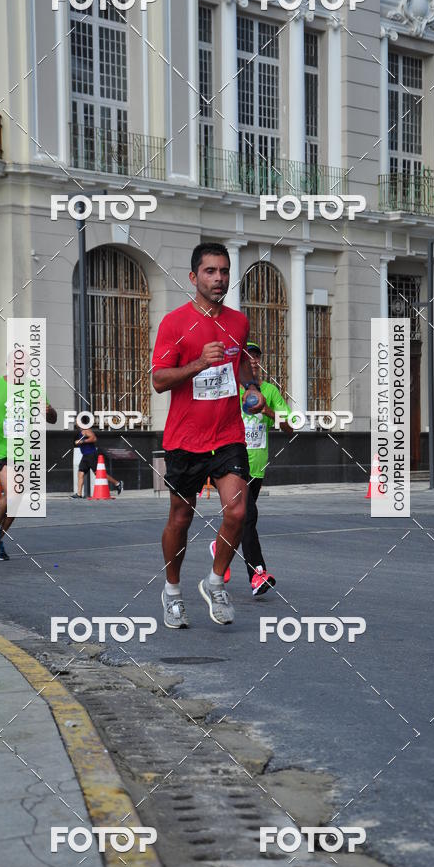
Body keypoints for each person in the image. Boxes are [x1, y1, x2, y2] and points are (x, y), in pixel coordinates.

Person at [152, 242, 266, 629]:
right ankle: (171, 591)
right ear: (193, 277)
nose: (218, 279)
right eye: (210, 272)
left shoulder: (238, 322)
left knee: (239, 511)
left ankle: (215, 581)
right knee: (181, 518)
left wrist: (251, 387)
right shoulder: (174, 323)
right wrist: (200, 362)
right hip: (185, 438)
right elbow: (158, 381)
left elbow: (242, 371)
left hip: (228, 433)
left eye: (223, 271)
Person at [210, 340, 293, 596]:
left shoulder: (269, 391)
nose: (252, 361)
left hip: (256, 470)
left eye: (255, 356)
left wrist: (267, 409)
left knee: (241, 520)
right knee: (248, 518)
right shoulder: (229, 390)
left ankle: (220, 546)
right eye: (247, 357)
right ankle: (258, 574)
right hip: (229, 465)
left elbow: (290, 426)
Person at [0, 370, 57, 560]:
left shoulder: (33, 388)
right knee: (15, 492)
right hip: (1, 450)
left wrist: (49, 412)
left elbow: (52, 417)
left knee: (17, 501)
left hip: (24, 451)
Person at [71, 423, 123, 498]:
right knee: (80, 473)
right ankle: (79, 494)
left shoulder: (86, 430)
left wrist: (82, 442)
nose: (76, 424)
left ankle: (117, 483)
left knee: (98, 473)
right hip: (85, 456)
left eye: (77, 422)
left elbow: (94, 438)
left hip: (91, 454)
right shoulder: (81, 432)